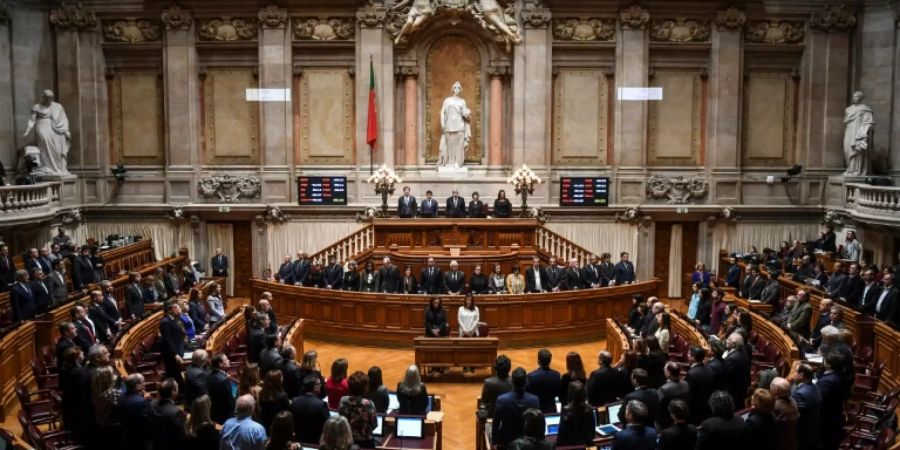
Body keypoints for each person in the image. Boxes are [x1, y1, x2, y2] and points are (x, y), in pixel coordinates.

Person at [492, 367, 540, 448]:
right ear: (526, 382)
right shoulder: (534, 400)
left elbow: (495, 424)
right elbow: (537, 424)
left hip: (506, 442)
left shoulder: (502, 400)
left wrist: (494, 442)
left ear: (512, 381)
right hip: (528, 445)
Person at [338, 371, 377, 448]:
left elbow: (341, 421)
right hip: (366, 442)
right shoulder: (369, 404)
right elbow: (374, 424)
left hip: (347, 441)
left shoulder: (343, 400)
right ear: (364, 388)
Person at [818, 353, 847, 450]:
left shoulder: (828, 382)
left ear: (829, 365)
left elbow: (820, 399)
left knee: (827, 442)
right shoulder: (839, 374)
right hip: (835, 413)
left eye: (825, 360)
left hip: (828, 417)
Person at [148, 378, 187, 450]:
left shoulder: (152, 404)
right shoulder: (175, 412)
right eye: (177, 387)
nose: (178, 389)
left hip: (156, 444)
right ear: (173, 391)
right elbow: (180, 437)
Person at [291, 374, 330, 444]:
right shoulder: (322, 404)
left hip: (299, 440)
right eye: (319, 384)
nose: (321, 385)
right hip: (316, 442)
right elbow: (328, 426)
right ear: (315, 387)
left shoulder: (295, 401)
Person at [792, 364, 822, 450]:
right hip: (814, 427)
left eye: (795, 372)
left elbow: (794, 411)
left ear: (801, 375)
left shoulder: (800, 393)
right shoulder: (816, 387)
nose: (793, 374)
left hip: (803, 431)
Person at [91, 366, 121, 450]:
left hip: (101, 426)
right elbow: (122, 407)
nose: (115, 376)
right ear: (107, 378)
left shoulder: (95, 391)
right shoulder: (112, 392)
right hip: (114, 428)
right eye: (112, 374)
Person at [118, 373, 151, 450]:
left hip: (126, 435)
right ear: (137, 386)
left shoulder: (121, 396)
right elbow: (148, 422)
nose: (145, 383)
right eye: (143, 381)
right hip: (140, 440)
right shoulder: (141, 402)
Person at [556, 381, 594, 447]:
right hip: (586, 445)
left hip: (570, 447)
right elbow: (592, 432)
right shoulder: (589, 409)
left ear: (570, 394)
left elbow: (561, 436)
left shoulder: (566, 411)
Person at [526, 348, 561, 413]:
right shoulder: (556, 375)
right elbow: (558, 392)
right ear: (550, 361)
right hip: (552, 409)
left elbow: (528, 394)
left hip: (536, 410)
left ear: (538, 361)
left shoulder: (531, 376)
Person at [159, 301, 186, 386]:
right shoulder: (165, 322)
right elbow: (168, 340)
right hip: (170, 354)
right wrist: (175, 354)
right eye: (176, 307)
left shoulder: (171, 319)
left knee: (177, 374)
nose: (178, 309)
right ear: (171, 310)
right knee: (174, 375)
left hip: (176, 351)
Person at [685, 347, 714, 424]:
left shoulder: (691, 374)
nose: (687, 355)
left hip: (696, 409)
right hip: (707, 406)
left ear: (693, 357)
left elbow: (689, 394)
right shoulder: (709, 368)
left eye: (688, 354)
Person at [657, 362, 690, 429]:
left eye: (665, 370)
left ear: (668, 373)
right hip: (683, 417)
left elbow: (659, 407)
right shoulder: (686, 384)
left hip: (667, 421)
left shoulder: (664, 389)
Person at [770, 377, 800, 450]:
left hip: (780, 444)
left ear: (775, 390)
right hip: (793, 442)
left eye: (771, 386)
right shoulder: (793, 401)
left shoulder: (774, 406)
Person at [723, 332, 751, 408]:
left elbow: (726, 377)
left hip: (733, 391)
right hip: (742, 388)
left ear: (733, 344)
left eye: (729, 340)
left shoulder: (731, 359)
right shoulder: (743, 351)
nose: (726, 340)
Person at [208, 354, 236, 425]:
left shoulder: (209, 375)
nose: (228, 360)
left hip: (214, 412)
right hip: (225, 415)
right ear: (220, 364)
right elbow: (229, 401)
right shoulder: (224, 379)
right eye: (226, 360)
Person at [458, 293, 480, 366]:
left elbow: (477, 320)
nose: (469, 301)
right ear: (465, 300)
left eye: (470, 300)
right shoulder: (461, 308)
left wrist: (470, 329)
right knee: (464, 350)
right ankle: (464, 365)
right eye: (467, 299)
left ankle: (472, 365)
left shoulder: (476, 308)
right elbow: (459, 320)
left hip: (472, 332)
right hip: (463, 332)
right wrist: (464, 329)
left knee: (472, 350)